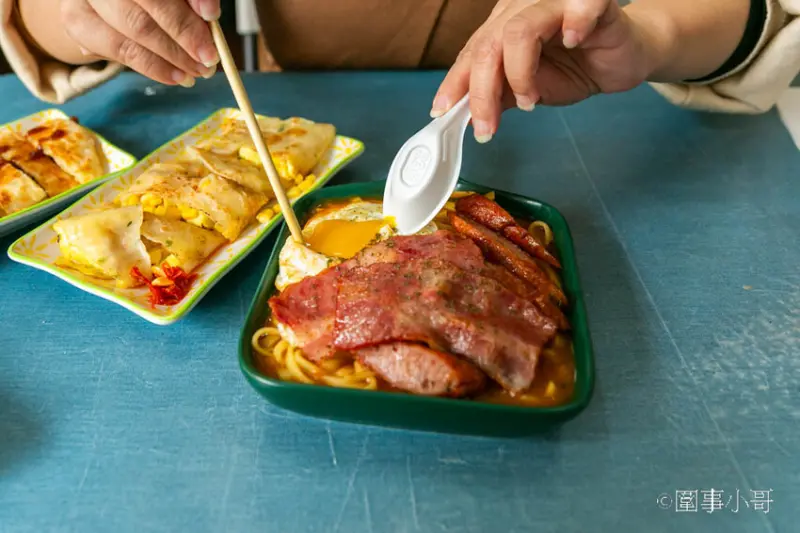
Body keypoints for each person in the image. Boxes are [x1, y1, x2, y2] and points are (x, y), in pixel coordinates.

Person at [1, 0, 797, 143]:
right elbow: (31, 21)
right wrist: (73, 16)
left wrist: (652, 33)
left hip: (603, 123)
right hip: (295, 124)